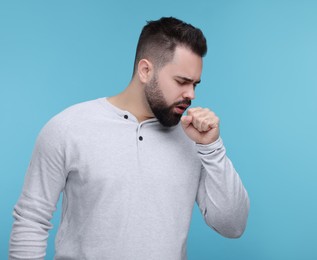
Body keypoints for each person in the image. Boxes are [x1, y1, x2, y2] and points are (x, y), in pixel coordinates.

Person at [9, 17, 250, 260]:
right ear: (145, 70)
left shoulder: (194, 138)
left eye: (195, 84)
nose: (191, 94)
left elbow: (233, 226)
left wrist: (212, 148)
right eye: (182, 82)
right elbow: (32, 220)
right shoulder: (68, 127)